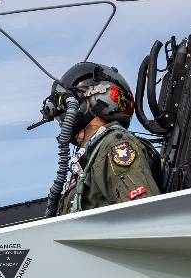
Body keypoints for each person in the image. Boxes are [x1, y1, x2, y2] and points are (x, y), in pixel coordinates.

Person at [49, 62, 162, 215]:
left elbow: (144, 216)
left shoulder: (115, 144)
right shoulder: (91, 157)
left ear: (100, 98)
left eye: (70, 98)